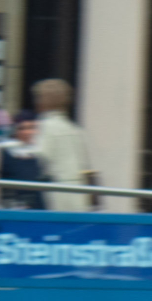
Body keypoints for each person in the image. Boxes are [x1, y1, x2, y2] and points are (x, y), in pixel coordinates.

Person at [30, 79, 94, 212]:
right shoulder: (75, 128)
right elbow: (85, 163)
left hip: (59, 188)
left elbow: (42, 155)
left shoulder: (46, 125)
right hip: (80, 189)